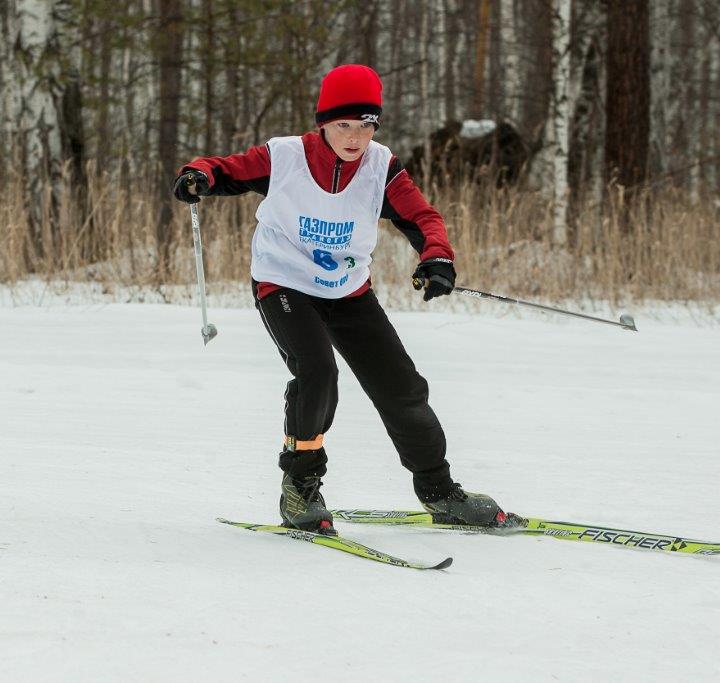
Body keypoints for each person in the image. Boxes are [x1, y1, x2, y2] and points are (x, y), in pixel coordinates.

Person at [173, 64, 511, 534]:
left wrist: (437, 258)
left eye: (367, 125)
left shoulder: (380, 166)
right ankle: (301, 489)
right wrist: (199, 175)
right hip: (283, 284)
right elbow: (226, 170)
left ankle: (440, 492)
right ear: (323, 124)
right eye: (344, 125)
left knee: (403, 388)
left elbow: (423, 217)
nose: (356, 138)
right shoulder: (285, 157)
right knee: (317, 373)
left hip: (348, 292)